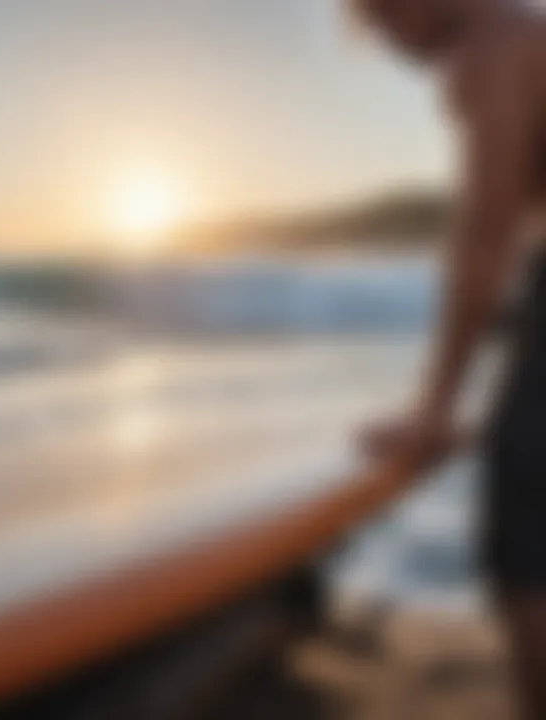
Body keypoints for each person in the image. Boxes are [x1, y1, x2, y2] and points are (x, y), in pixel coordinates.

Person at [354, 0, 546, 716]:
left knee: (528, 549)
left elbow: (485, 227)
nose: (380, 35)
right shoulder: (525, 30)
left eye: (379, 12)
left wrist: (434, 408)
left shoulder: (491, 42)